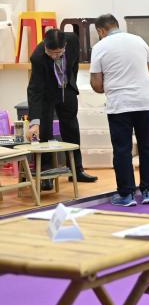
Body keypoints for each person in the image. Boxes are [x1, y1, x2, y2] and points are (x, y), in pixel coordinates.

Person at [89, 14, 149, 207]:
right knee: (148, 147)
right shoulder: (138, 40)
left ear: (101, 30)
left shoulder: (100, 47)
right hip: (144, 102)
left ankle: (127, 195)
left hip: (119, 105)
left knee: (122, 150)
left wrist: (111, 82)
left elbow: (97, 84)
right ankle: (148, 191)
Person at [26, 29, 97, 190]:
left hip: (66, 89)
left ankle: (76, 170)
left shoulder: (72, 40)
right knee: (45, 132)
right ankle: (47, 174)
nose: (54, 56)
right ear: (45, 46)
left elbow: (74, 65)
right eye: (50, 53)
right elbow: (35, 89)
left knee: (72, 128)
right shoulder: (37, 57)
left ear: (65, 45)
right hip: (46, 94)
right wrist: (34, 122)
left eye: (58, 53)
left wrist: (71, 84)